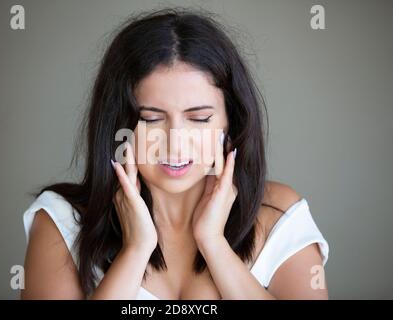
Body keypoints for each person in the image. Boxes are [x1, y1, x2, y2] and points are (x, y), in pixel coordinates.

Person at [21, 8, 329, 300]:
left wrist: (214, 244)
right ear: (118, 125)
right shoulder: (61, 222)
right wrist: (135, 251)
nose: (175, 144)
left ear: (230, 122)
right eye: (152, 119)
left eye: (199, 118)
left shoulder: (279, 215)